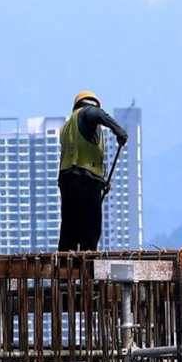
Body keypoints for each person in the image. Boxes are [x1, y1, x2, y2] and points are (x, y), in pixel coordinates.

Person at [57, 90, 128, 251]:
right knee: (91, 228)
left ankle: (65, 266)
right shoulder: (86, 113)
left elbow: (80, 156)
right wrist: (119, 131)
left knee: (70, 228)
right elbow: (96, 114)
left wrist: (101, 182)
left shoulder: (67, 127)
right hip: (85, 182)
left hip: (68, 182)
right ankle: (87, 266)